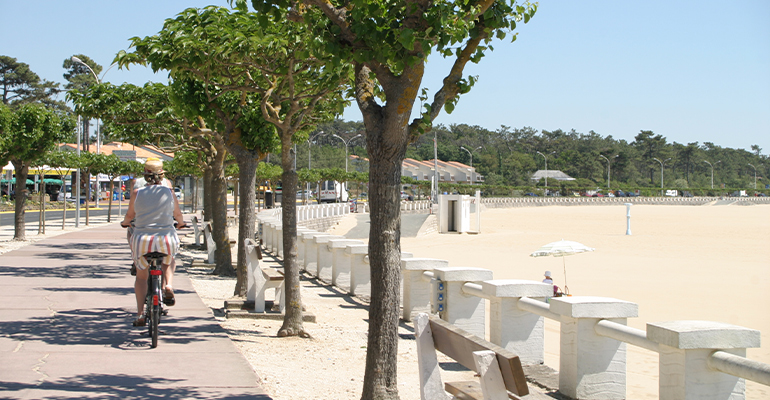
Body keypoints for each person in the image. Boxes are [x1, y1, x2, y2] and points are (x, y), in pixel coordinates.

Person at [121, 158, 186, 327]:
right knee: (169, 260)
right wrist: (180, 223)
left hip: (142, 239)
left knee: (141, 277)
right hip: (165, 238)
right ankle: (168, 285)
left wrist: (125, 223)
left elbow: (130, 216)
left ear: (146, 173)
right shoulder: (169, 192)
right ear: (162, 174)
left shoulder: (137, 192)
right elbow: (177, 215)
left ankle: (141, 314)